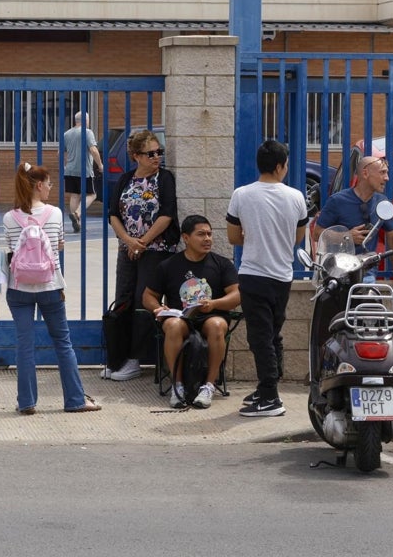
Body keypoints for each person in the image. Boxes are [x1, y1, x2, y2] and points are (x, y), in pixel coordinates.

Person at [1, 162, 100, 414]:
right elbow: (58, 246)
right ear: (39, 185)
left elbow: (9, 252)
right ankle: (75, 400)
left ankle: (26, 402)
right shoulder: (55, 214)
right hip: (50, 286)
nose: (50, 188)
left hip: (19, 287)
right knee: (62, 342)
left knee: (25, 344)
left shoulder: (9, 217)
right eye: (48, 184)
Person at [227, 140, 309, 418]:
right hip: (282, 276)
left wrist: (253, 236)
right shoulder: (297, 197)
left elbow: (233, 237)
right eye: (285, 164)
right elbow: (298, 238)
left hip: (253, 274)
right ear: (279, 166)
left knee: (260, 337)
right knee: (272, 334)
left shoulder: (242, 194)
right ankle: (267, 388)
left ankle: (271, 395)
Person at [143, 214, 241, 409]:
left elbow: (237, 295)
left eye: (210, 234)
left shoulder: (222, 264)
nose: (207, 239)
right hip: (180, 318)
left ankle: (208, 386)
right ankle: (177, 386)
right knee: (172, 325)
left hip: (211, 315)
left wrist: (214, 304)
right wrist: (157, 308)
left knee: (216, 325)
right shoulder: (169, 265)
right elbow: (148, 296)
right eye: (201, 234)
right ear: (186, 238)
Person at [104, 130, 179, 381]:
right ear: (136, 156)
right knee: (123, 298)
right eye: (150, 153)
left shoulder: (164, 178)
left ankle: (137, 359)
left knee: (142, 301)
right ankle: (118, 357)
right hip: (128, 249)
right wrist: (128, 241)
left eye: (159, 152)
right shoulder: (126, 180)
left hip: (156, 251)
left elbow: (167, 214)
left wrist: (143, 243)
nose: (157, 157)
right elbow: (113, 214)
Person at [311, 154, 393, 294]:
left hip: (366, 274)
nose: (387, 178)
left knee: (368, 309)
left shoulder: (382, 203)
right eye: (382, 172)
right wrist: (347, 236)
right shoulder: (337, 201)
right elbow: (317, 234)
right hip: (337, 273)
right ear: (365, 173)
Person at [63, 112, 102, 233]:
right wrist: (100, 165)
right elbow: (93, 150)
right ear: (86, 120)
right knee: (92, 194)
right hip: (84, 170)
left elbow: (62, 153)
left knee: (75, 195)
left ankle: (77, 222)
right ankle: (77, 213)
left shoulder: (66, 134)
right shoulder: (87, 132)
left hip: (70, 169)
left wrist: (66, 164)